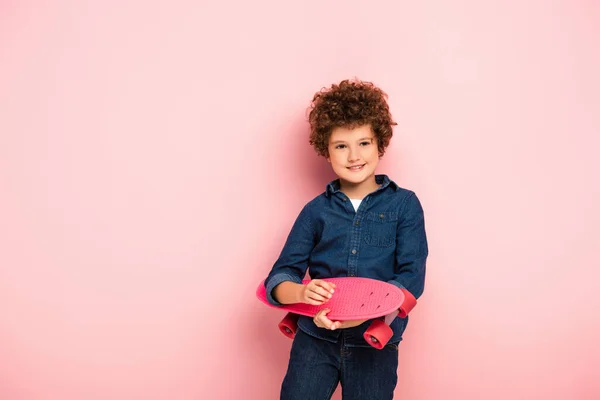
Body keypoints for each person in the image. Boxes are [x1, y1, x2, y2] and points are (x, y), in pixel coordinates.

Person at [263, 78, 428, 400]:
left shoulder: (404, 205)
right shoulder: (315, 211)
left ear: (380, 144)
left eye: (363, 143)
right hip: (315, 339)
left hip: (374, 341)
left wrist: (361, 315)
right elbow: (280, 276)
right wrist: (302, 292)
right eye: (341, 145)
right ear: (326, 150)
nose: (354, 155)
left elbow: (411, 278)